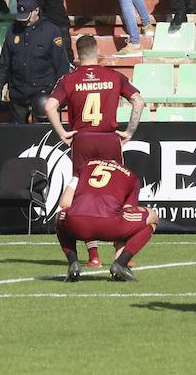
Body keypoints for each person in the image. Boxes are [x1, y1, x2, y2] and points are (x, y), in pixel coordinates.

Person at [46, 34, 146, 266]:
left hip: (82, 140)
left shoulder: (69, 79)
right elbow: (138, 101)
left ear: (77, 54)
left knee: (82, 193)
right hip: (108, 139)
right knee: (116, 189)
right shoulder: (114, 76)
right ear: (97, 51)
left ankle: (93, 256)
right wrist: (129, 131)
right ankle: (121, 252)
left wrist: (62, 133)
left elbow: (50, 106)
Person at [57, 157, 158, 282]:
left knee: (60, 216)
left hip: (78, 223)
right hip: (110, 224)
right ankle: (121, 263)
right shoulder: (131, 176)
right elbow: (128, 211)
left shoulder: (84, 166)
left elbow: (64, 202)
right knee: (152, 218)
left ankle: (73, 262)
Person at [0, 0, 72, 122]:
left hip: (44, 94)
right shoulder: (13, 30)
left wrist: (62, 94)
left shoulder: (51, 31)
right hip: (19, 94)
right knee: (18, 135)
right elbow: (5, 63)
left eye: (27, 16)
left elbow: (62, 66)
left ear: (36, 11)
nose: (24, 21)